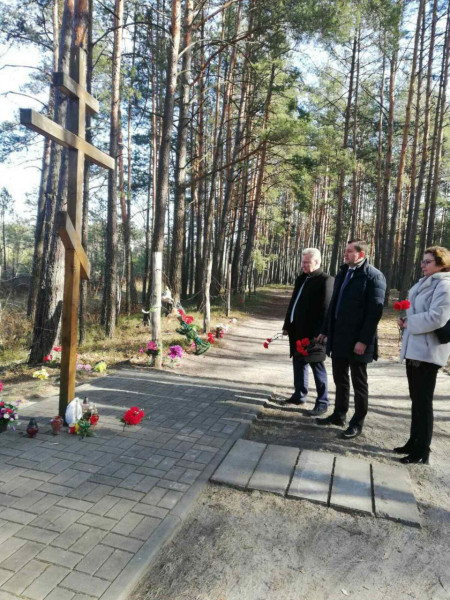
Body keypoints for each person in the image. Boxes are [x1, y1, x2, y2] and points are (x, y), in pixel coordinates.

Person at [316, 240, 386, 439]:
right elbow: (333, 305)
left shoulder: (373, 276)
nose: (345, 254)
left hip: (358, 340)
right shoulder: (343, 272)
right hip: (339, 337)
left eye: (349, 251)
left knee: (359, 383)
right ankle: (339, 415)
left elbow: (374, 313)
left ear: (361, 254)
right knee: (340, 379)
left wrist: (363, 340)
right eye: (345, 250)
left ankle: (357, 423)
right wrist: (325, 330)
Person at [395, 246, 450, 464]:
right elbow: (416, 311)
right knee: (416, 400)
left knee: (423, 402)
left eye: (428, 261)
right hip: (415, 348)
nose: (423, 265)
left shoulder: (445, 285)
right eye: (422, 261)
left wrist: (410, 322)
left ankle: (422, 450)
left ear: (441, 264)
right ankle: (413, 441)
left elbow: (437, 317)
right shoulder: (422, 283)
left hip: (428, 350)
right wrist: (405, 320)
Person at [280, 248, 334, 416]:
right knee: (298, 362)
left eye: (306, 262)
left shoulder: (326, 280)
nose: (303, 265)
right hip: (297, 330)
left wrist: (322, 332)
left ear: (317, 262)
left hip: (315, 334)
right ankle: (299, 394)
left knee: (317, 366)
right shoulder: (302, 278)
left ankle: (322, 402)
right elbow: (293, 302)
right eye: (302, 262)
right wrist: (287, 324)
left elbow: (326, 309)